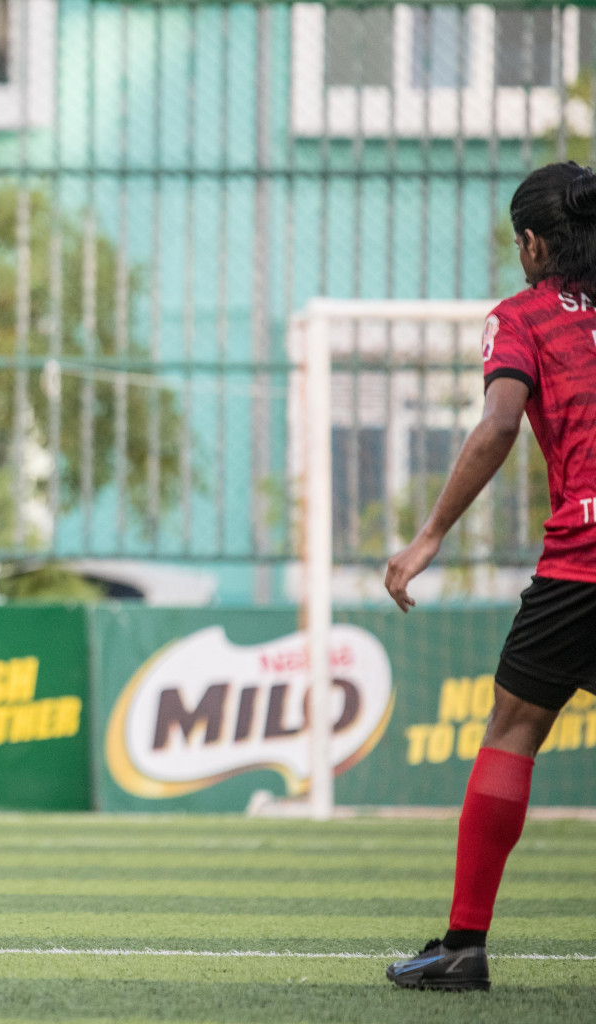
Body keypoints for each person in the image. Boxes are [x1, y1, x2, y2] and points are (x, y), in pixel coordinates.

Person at [383, 161, 596, 991]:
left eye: (521, 240)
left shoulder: (522, 317)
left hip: (581, 558)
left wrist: (430, 533)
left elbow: (499, 424)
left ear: (536, 244)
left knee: (512, 726)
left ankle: (464, 946)